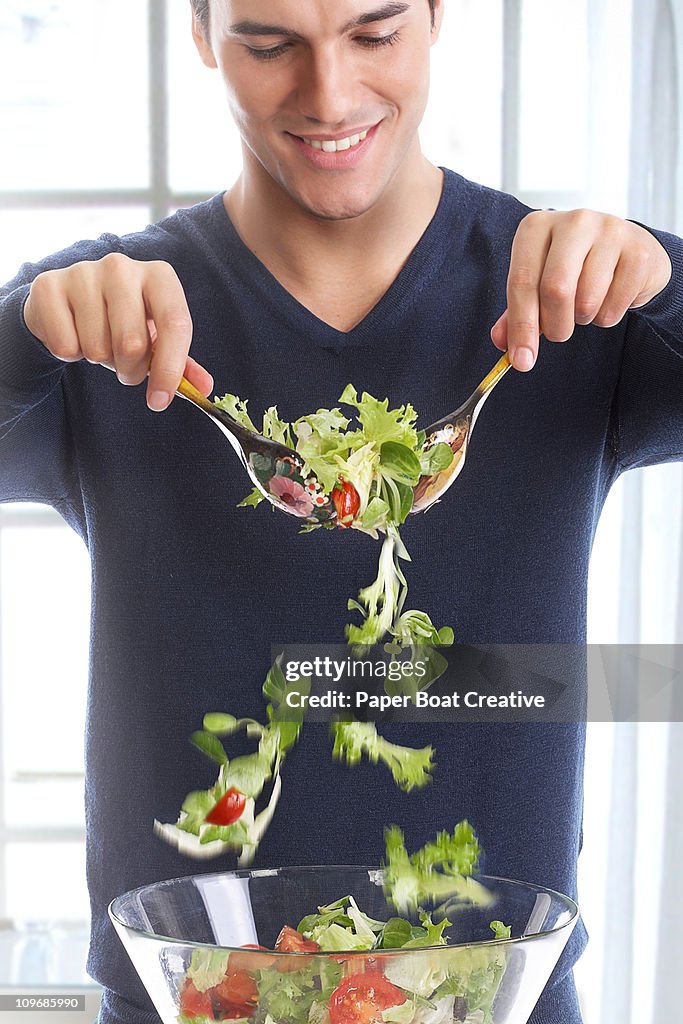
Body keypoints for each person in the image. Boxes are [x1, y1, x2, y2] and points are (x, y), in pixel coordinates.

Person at [1, 1, 681, 1022]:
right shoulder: (103, 318)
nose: (329, 95)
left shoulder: (571, 304)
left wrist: (666, 280)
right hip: (190, 998)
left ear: (438, 15)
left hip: (491, 996)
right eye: (268, 43)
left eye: (373, 33)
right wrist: (19, 337)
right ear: (199, 32)